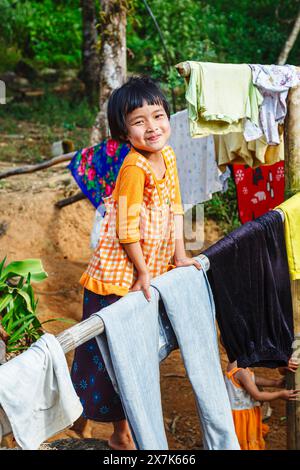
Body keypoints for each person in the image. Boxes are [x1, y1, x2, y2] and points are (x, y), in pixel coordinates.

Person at [70, 76, 201, 450]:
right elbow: (127, 229)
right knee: (109, 356)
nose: (152, 127)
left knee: (124, 354)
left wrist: (179, 254)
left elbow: (176, 208)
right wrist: (143, 271)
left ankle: (84, 418)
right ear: (123, 131)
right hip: (119, 278)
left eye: (158, 115)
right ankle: (120, 433)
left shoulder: (169, 156)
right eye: (139, 121)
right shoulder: (133, 169)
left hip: (149, 270)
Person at [225, 357, 300, 450]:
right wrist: (280, 394)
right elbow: (258, 396)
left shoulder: (233, 364)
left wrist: (275, 383)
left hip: (238, 415)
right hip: (243, 417)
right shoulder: (242, 371)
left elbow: (252, 379)